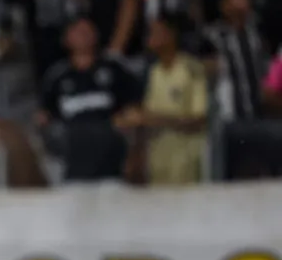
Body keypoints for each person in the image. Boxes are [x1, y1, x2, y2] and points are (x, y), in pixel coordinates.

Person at [36, 17, 141, 182]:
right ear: (66, 39)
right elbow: (44, 118)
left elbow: (134, 110)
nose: (84, 35)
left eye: (88, 31)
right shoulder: (56, 76)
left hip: (111, 159)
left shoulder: (115, 69)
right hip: (71, 162)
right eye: (78, 31)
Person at [139, 15, 207, 185]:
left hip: (186, 163)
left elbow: (198, 120)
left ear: (171, 35)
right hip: (157, 164)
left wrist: (155, 120)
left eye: (156, 32)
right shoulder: (152, 72)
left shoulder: (191, 68)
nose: (150, 38)